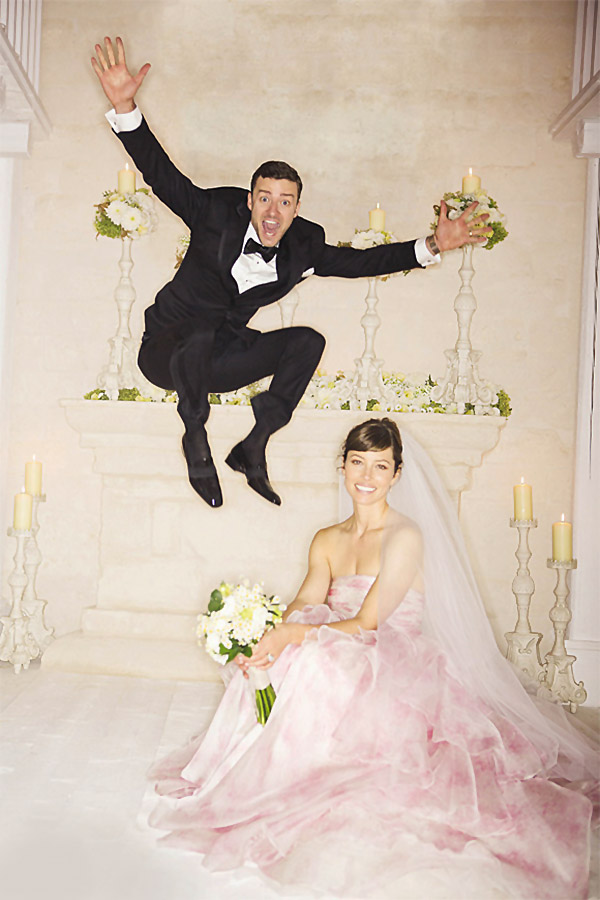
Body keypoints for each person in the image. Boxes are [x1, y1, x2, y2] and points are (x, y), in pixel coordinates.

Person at [148, 418, 598, 899]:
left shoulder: (404, 536)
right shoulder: (326, 538)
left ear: (396, 474)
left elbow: (367, 623)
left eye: (380, 466)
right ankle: (262, 776)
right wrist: (264, 634)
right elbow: (306, 601)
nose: (367, 476)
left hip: (389, 655)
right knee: (278, 661)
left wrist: (294, 636)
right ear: (342, 465)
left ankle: (300, 776)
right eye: (358, 462)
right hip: (332, 636)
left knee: (316, 664)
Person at [91, 37, 492, 509]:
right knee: (198, 329)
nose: (273, 211)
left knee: (307, 342)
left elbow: (361, 263)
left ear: (296, 208)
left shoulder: (304, 245)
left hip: (220, 359)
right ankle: (195, 437)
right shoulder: (212, 212)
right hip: (165, 353)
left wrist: (433, 245)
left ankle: (254, 445)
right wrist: (125, 107)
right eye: (264, 198)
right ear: (249, 201)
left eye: (285, 202)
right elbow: (162, 175)